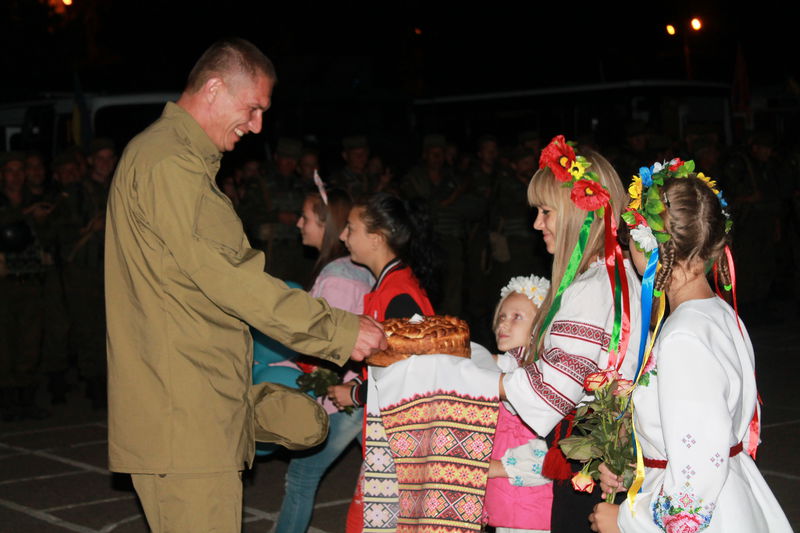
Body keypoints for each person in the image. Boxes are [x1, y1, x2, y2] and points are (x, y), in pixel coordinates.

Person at [104, 37, 386, 533]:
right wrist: (338, 330)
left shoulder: (167, 158)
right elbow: (231, 279)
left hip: (192, 403)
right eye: (252, 108)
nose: (257, 126)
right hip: (185, 415)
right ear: (214, 89)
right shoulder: (171, 165)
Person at [588, 164, 792, 532]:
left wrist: (626, 521)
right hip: (730, 494)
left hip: (705, 513)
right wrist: (636, 465)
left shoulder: (684, 335)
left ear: (648, 245)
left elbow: (696, 471)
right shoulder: (721, 315)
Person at [496, 136, 642, 533]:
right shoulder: (613, 275)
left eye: (546, 211)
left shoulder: (591, 287)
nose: (537, 223)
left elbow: (558, 385)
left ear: (578, 214)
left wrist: (486, 383)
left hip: (595, 461)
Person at [333, 192, 438, 533]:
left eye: (350, 228)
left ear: (376, 239)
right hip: (389, 438)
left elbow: (410, 374)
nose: (342, 236)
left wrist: (357, 395)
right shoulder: (389, 287)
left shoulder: (400, 294)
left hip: (399, 442)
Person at [273, 187, 375, 533]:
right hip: (358, 391)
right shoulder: (344, 269)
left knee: (301, 476)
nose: (299, 223)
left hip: (345, 395)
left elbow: (329, 345)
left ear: (326, 225)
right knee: (386, 474)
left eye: (307, 217)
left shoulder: (338, 277)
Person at [485, 275, 554, 533]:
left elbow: (552, 455)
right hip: (506, 509)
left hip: (532, 514)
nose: (504, 323)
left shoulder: (544, 380)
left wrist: (497, 468)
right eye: (502, 316)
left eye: (517, 317)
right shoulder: (510, 369)